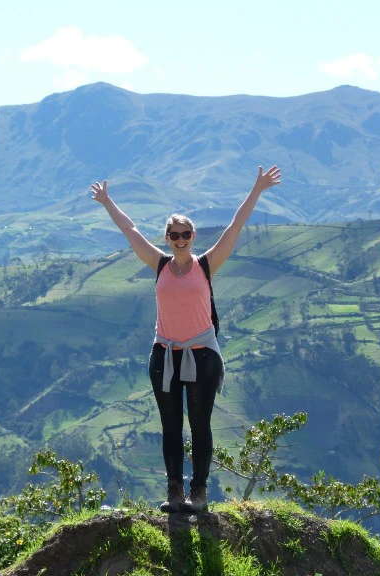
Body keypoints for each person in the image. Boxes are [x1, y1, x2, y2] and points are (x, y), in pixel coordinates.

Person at [91, 165, 282, 512]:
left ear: (194, 236)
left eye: (186, 234)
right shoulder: (160, 264)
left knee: (200, 425)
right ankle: (175, 492)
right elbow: (130, 229)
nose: (180, 240)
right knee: (169, 426)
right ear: (167, 238)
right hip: (164, 355)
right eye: (174, 235)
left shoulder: (206, 265)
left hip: (202, 356)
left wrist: (256, 189)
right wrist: (107, 201)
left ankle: (200, 493)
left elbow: (234, 226)